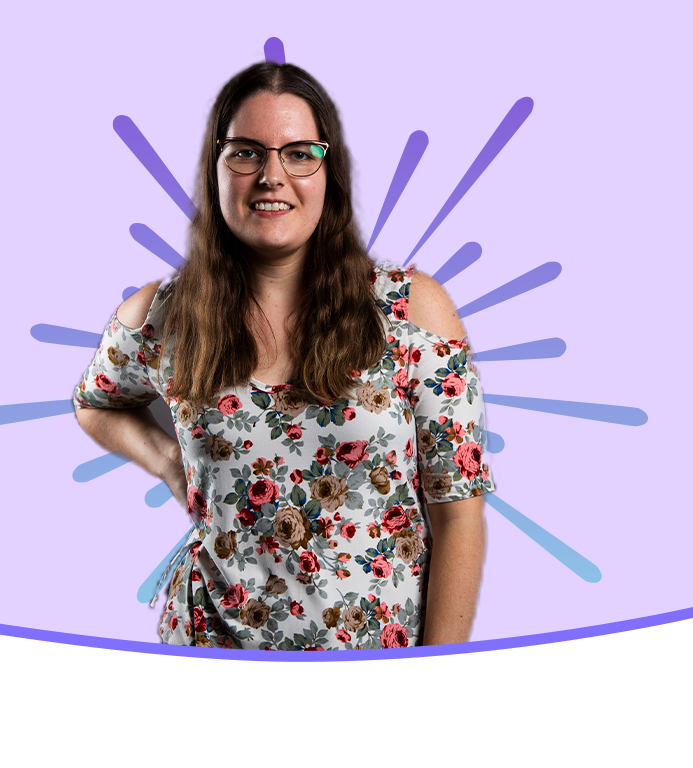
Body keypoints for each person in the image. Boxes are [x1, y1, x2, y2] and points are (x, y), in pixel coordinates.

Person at [73, 62, 496, 650]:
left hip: (374, 675)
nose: (272, 176)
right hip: (209, 653)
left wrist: (433, 677)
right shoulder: (161, 318)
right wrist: (169, 461)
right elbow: (94, 403)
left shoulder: (412, 311)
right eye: (246, 153)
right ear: (216, 169)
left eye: (298, 153)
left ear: (329, 173)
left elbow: (458, 514)